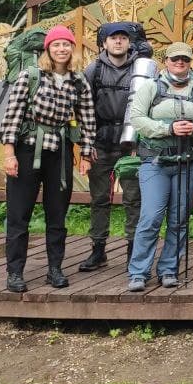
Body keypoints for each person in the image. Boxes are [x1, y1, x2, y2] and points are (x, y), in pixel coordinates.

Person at [0, 25, 97, 293]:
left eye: (66, 44)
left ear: (72, 49)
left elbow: (88, 119)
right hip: (27, 150)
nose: (61, 49)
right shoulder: (30, 76)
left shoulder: (79, 81)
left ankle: (55, 269)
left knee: (57, 214)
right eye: (56, 45)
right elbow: (12, 116)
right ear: (48, 49)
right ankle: (15, 272)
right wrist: (9, 154)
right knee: (19, 214)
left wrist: (86, 154)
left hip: (60, 152)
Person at [127, 43, 193, 291]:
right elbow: (137, 119)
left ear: (189, 62)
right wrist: (167, 128)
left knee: (178, 220)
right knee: (151, 217)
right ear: (166, 61)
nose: (180, 63)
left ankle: (168, 270)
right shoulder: (151, 87)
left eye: (185, 59)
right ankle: (138, 273)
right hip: (155, 162)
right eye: (175, 58)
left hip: (189, 161)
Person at [78, 23, 145, 273]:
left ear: (130, 42)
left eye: (123, 38)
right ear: (104, 43)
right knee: (99, 199)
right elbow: (83, 108)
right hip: (101, 143)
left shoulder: (141, 68)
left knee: (133, 199)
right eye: (113, 38)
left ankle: (132, 252)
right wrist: (86, 144)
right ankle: (98, 251)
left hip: (131, 144)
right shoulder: (93, 70)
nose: (118, 42)